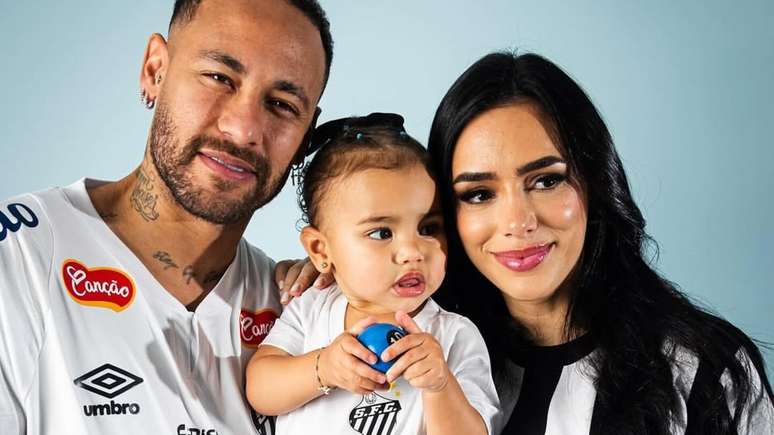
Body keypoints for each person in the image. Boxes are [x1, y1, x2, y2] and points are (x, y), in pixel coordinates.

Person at [0, 0, 335, 433]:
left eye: (282, 104)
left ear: (307, 134)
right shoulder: (19, 257)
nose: (243, 129)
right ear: (155, 69)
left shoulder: (302, 313)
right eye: (219, 78)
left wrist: (352, 287)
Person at [426, 51, 774, 434]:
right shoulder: (429, 363)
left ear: (595, 183)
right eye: (478, 194)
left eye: (547, 180)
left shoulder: (706, 371)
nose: (517, 222)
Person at [245, 113, 500, 435]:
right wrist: (323, 368)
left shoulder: (453, 336)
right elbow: (260, 391)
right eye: (381, 233)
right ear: (321, 251)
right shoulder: (312, 308)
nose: (412, 252)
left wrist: (439, 387)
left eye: (428, 228)